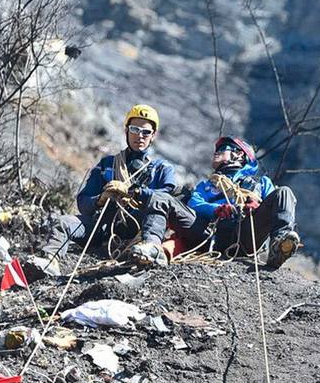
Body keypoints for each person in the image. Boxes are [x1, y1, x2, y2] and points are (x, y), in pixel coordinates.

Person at [33, 104, 177, 273]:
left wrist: (136, 192)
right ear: (126, 131)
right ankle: (49, 260)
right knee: (64, 222)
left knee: (156, 212)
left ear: (153, 136)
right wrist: (101, 198)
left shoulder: (162, 169)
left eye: (146, 132)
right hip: (103, 227)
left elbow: (165, 199)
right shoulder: (107, 165)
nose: (140, 135)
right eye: (134, 129)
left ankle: (151, 250)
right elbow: (83, 203)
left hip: (139, 232)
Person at [131, 136, 299, 268]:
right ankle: (152, 246)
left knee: (284, 193)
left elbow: (274, 206)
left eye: (222, 149)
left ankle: (279, 244)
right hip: (208, 233)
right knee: (161, 198)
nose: (216, 152)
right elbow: (194, 204)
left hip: (245, 234)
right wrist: (216, 209)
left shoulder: (261, 183)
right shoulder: (207, 185)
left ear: (239, 154)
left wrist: (256, 205)